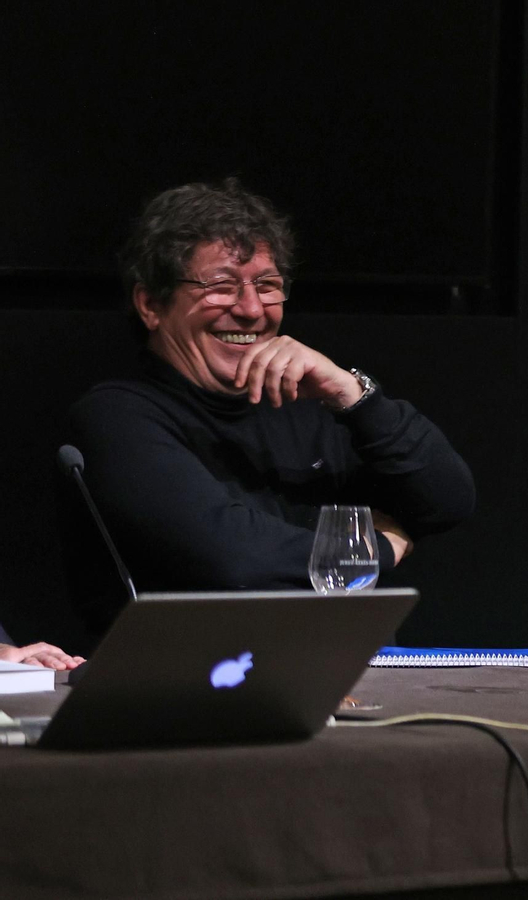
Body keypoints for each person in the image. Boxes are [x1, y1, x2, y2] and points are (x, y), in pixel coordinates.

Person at [66, 180, 475, 637]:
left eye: (268, 285)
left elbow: (448, 501)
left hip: (350, 686)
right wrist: (378, 548)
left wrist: (353, 395)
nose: (251, 309)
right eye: (221, 285)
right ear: (151, 305)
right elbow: (232, 557)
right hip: (189, 694)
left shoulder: (313, 404)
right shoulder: (116, 418)